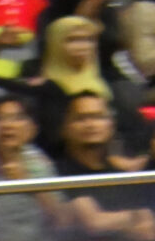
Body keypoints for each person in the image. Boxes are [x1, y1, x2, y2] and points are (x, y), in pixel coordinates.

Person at [48, 91, 155, 241]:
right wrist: (136, 216)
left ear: (111, 125)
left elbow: (147, 227)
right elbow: (93, 223)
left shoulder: (121, 173)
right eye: (81, 118)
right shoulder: (57, 171)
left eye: (98, 117)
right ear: (66, 127)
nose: (91, 125)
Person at [29, 12, 145, 152]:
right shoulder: (43, 88)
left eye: (88, 40)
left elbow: (129, 127)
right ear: (55, 43)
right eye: (72, 40)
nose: (82, 46)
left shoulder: (107, 83)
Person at [0, 89, 56, 241]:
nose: (7, 125)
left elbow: (61, 219)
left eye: (16, 118)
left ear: (32, 129)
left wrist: (28, 183)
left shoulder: (41, 166)